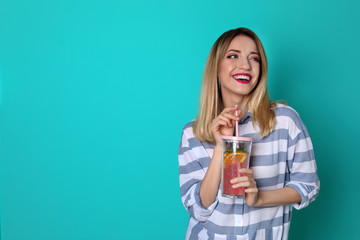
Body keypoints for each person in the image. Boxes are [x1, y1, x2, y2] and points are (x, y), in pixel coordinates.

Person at [178, 27, 320, 239]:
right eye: (233, 56)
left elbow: (308, 186)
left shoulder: (285, 121)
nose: (245, 65)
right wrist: (221, 146)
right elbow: (199, 209)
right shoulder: (193, 133)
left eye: (254, 59)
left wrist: (259, 198)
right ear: (216, 67)